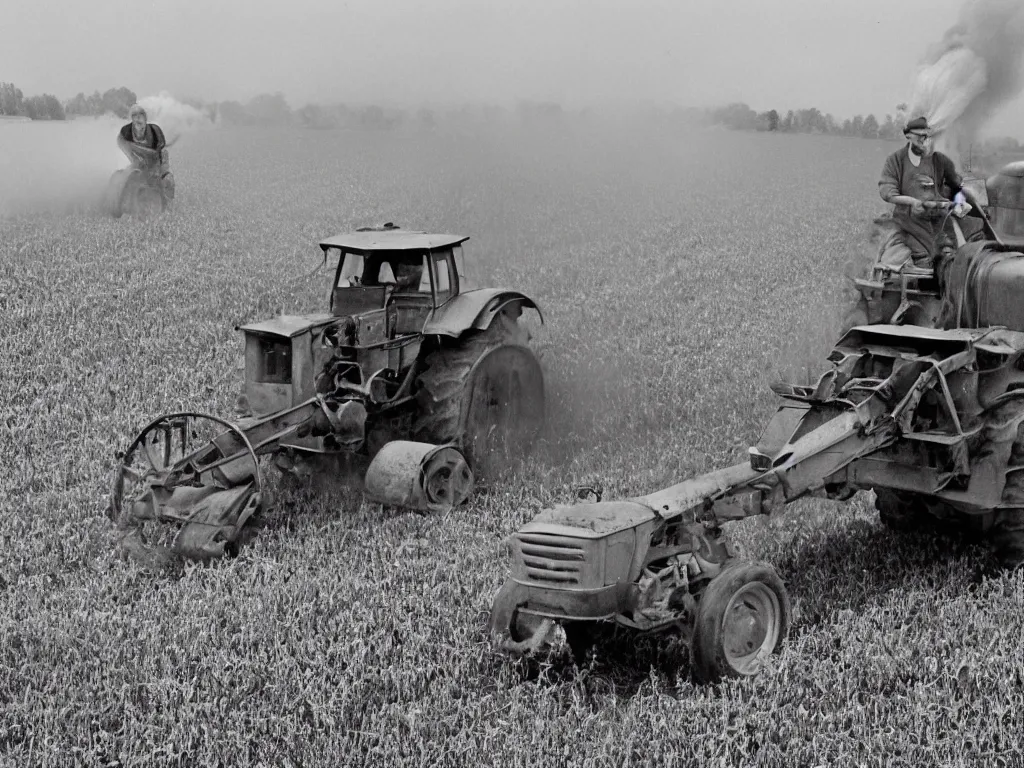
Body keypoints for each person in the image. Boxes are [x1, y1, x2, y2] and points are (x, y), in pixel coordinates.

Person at [877, 116, 968, 268]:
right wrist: (912, 202)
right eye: (920, 136)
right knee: (919, 260)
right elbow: (887, 191)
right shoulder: (895, 160)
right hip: (908, 222)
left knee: (957, 257)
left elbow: (957, 186)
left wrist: (960, 201)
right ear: (908, 136)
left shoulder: (940, 161)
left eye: (926, 136)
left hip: (939, 220)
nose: (923, 140)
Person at [117, 104, 174, 201]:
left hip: (155, 155)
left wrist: (158, 171)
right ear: (132, 121)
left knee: (165, 178)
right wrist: (135, 160)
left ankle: (166, 201)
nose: (139, 121)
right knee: (135, 172)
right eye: (135, 117)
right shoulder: (126, 133)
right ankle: (125, 199)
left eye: (141, 116)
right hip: (135, 155)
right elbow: (123, 145)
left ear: (146, 119)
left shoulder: (155, 132)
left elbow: (161, 153)